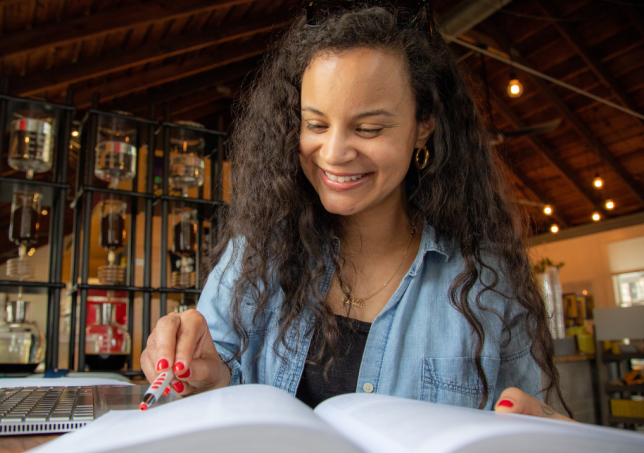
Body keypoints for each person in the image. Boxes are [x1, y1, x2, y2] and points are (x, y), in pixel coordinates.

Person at [141, 3, 573, 422]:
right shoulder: (253, 257)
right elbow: (205, 400)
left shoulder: (488, 282)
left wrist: (551, 441)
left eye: (369, 128)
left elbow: (531, 428)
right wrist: (205, 377)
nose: (333, 153)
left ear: (424, 126)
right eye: (316, 124)